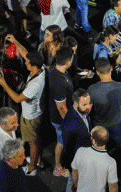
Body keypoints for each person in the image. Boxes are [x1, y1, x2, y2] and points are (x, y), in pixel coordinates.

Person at [0, 49, 46, 176]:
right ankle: (38, 161)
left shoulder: (35, 84)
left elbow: (17, 99)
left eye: (27, 63)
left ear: (34, 66)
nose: (25, 64)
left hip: (30, 117)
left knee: (32, 143)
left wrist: (4, 84)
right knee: (37, 138)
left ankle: (32, 168)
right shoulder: (41, 69)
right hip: (37, 114)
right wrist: (14, 40)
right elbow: (26, 53)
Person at [88, 58, 121, 182]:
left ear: (97, 72)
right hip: (116, 124)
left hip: (99, 125)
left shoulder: (92, 89)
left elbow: (88, 110)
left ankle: (100, 177)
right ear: (111, 69)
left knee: (99, 151)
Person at [47, 46, 74, 177]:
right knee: (61, 141)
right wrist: (70, 122)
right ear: (68, 62)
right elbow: (61, 107)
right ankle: (57, 167)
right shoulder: (59, 82)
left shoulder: (57, 70)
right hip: (60, 119)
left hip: (61, 116)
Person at [62, 89, 93, 192]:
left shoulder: (81, 111)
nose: (88, 107)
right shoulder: (70, 124)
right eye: (84, 104)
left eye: (89, 103)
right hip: (76, 161)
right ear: (75, 104)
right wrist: (73, 168)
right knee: (73, 183)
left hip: (83, 155)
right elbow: (68, 149)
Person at [72, 126, 119, 192]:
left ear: (94, 141)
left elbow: (74, 173)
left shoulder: (80, 151)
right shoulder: (111, 162)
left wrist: (75, 184)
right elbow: (113, 187)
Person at [0, 107, 19, 179]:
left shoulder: (9, 127)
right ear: (2, 124)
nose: (17, 124)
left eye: (16, 121)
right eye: (13, 123)